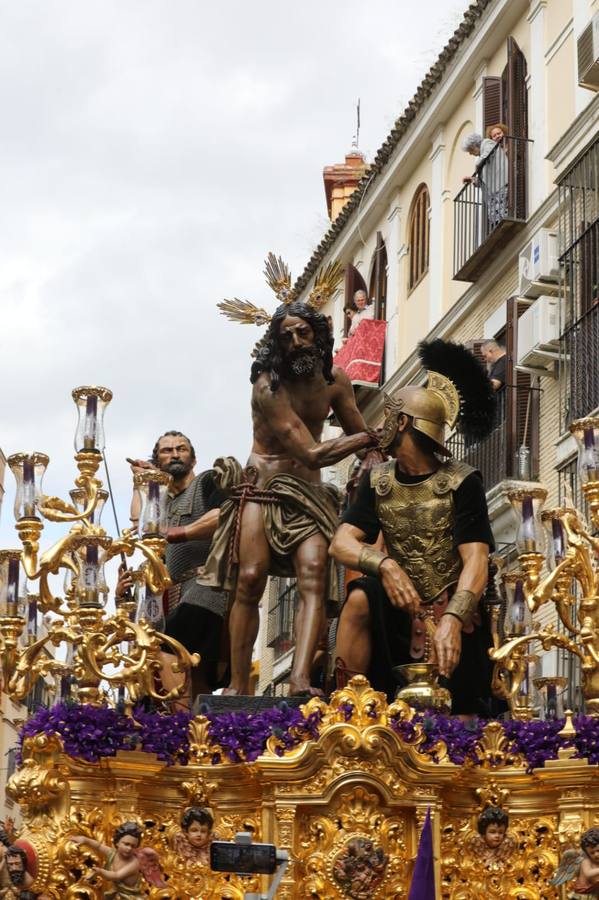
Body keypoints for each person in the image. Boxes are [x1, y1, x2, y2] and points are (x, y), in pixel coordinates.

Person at [200, 300, 381, 696]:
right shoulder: (268, 385)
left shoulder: (336, 380)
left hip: (309, 494)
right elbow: (310, 451)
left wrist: (382, 455)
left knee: (314, 574)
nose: (297, 342)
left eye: (303, 333)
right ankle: (236, 686)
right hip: (263, 489)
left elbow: (361, 435)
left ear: (318, 334)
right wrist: (370, 438)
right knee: (249, 579)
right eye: (287, 336)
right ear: (276, 344)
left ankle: (300, 680)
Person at [330, 339, 497, 715]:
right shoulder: (378, 481)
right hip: (397, 607)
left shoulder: (462, 481)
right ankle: (345, 706)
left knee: (462, 709)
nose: (380, 426)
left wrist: (453, 617)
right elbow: (341, 543)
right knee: (360, 595)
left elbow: (476, 560)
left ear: (402, 422)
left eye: (387, 416)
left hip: (452, 607)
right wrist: (384, 565)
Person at [123, 431, 228, 704]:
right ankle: (194, 725)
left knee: (169, 647)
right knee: (189, 667)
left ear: (193, 458)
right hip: (173, 593)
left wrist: (176, 532)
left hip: (207, 583)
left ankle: (181, 723)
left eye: (181, 449)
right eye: (167, 450)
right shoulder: (162, 502)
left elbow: (222, 515)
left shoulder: (207, 481)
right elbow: (139, 523)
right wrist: (139, 483)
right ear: (157, 461)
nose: (175, 454)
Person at [72, 822, 164, 899]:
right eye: (126, 844)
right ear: (117, 842)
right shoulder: (112, 853)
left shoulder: (134, 863)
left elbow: (116, 875)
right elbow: (98, 846)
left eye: (133, 846)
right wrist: (85, 840)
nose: (129, 848)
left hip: (131, 897)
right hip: (118, 895)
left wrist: (99, 871)